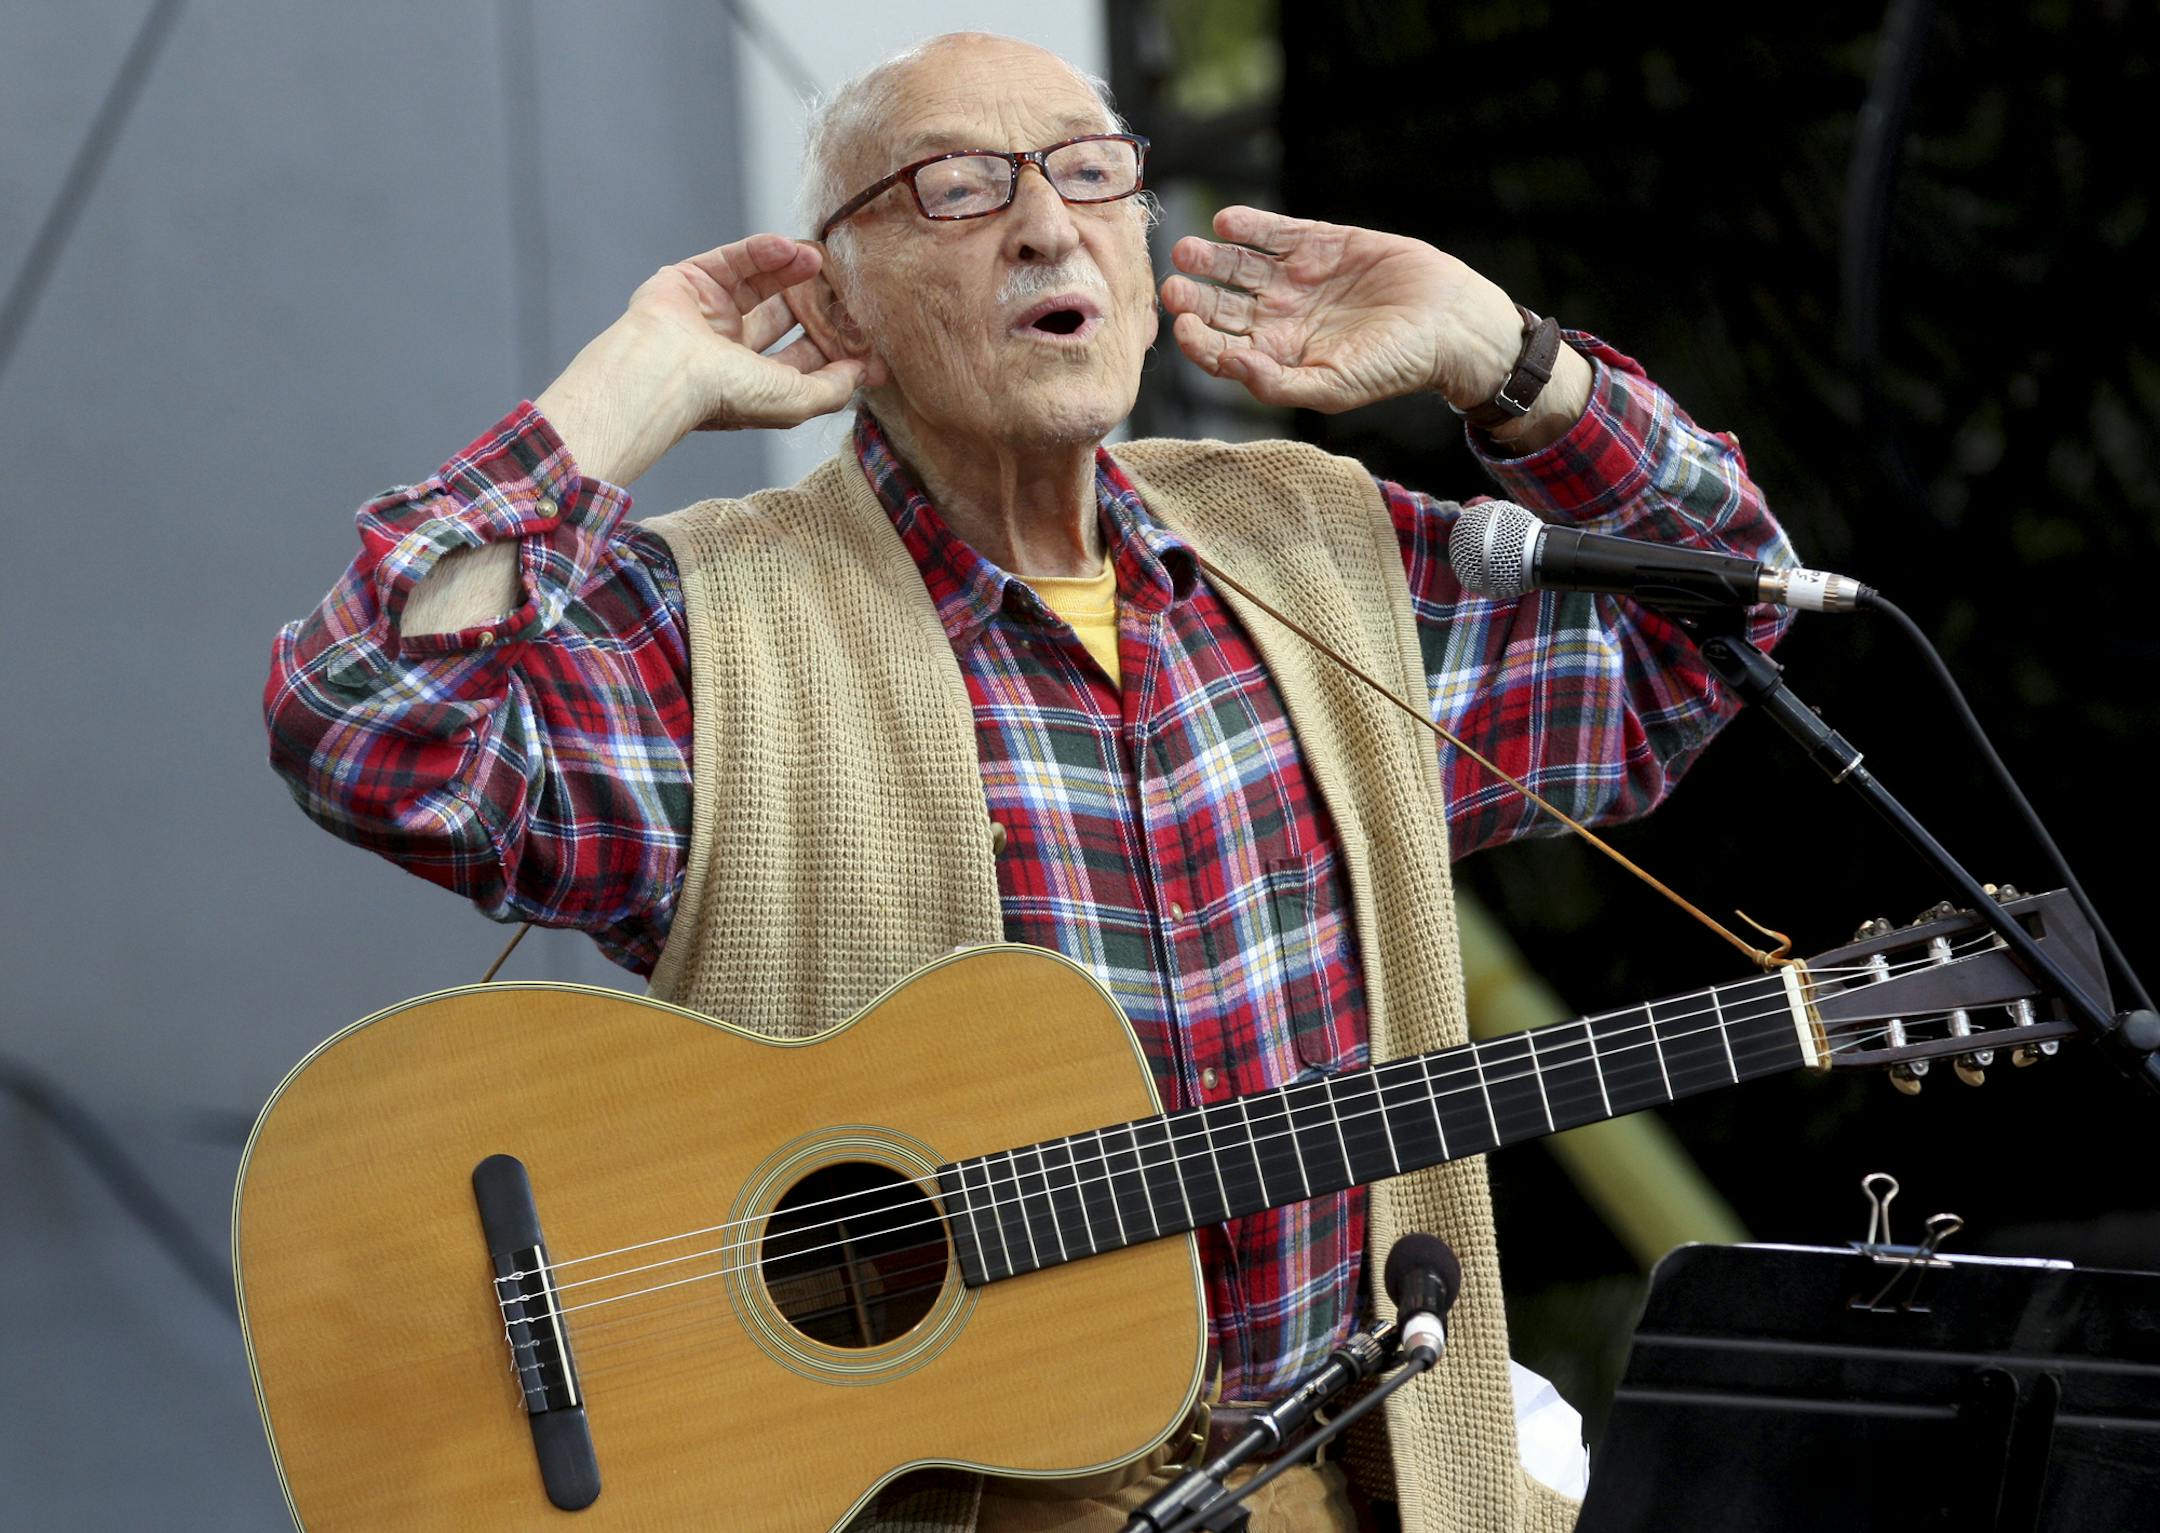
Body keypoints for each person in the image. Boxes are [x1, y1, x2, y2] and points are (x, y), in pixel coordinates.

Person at [266, 30, 1791, 1533]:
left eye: (1089, 173)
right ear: (833, 291)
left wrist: (1510, 362)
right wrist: (626, 392)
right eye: (958, 188)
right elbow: (372, 732)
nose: (1047, 224)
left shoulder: (1320, 547)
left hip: (1357, 1481)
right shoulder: (708, 628)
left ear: (1137, 250)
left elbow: (1726, 628)